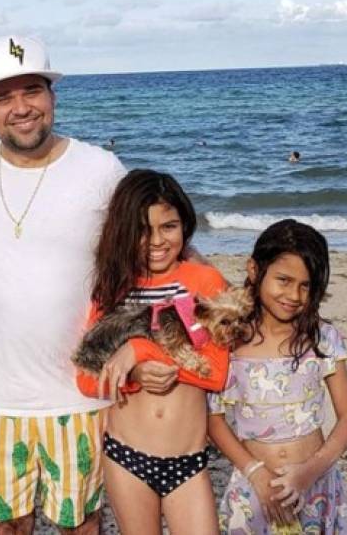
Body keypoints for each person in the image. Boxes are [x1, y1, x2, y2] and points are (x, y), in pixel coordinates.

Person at [0, 35, 127, 533]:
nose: (21, 108)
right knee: (6, 528)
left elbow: (152, 253)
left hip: (83, 395)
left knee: (82, 525)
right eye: (3, 96)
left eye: (32, 91)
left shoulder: (101, 168)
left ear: (52, 95)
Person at [75, 169, 231, 535]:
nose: (156, 241)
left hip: (188, 461)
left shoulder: (204, 282)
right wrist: (132, 375)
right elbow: (85, 377)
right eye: (142, 231)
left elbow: (216, 372)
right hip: (126, 457)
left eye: (169, 227)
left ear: (185, 224)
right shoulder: (113, 290)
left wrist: (142, 349)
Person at [208, 219, 347, 533]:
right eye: (284, 280)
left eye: (306, 285)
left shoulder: (322, 338)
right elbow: (213, 419)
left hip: (315, 486)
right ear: (253, 270)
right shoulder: (227, 341)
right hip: (254, 487)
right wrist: (256, 473)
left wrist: (309, 472)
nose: (294, 294)